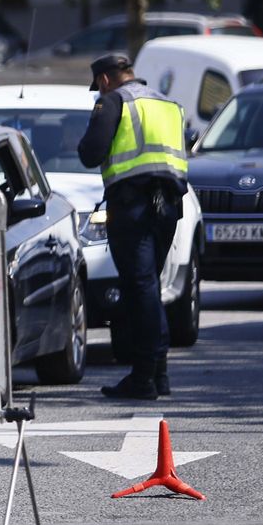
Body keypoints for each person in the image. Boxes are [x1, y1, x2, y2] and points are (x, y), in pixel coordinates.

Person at [77, 52, 188, 400]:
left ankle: (144, 378)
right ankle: (159, 373)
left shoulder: (112, 102)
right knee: (148, 288)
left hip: (133, 207)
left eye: (99, 88)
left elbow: (91, 153)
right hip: (168, 205)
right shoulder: (168, 104)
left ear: (105, 80)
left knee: (140, 289)